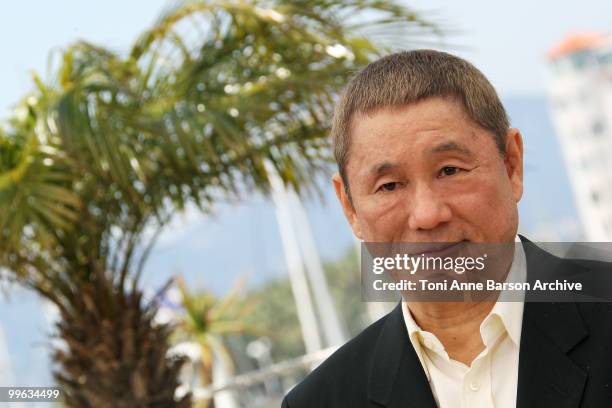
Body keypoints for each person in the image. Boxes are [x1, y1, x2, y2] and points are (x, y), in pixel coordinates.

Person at [281, 50, 612, 408]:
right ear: (350, 208)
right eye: (389, 186)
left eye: (450, 170)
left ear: (511, 165)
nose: (427, 215)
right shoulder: (320, 402)